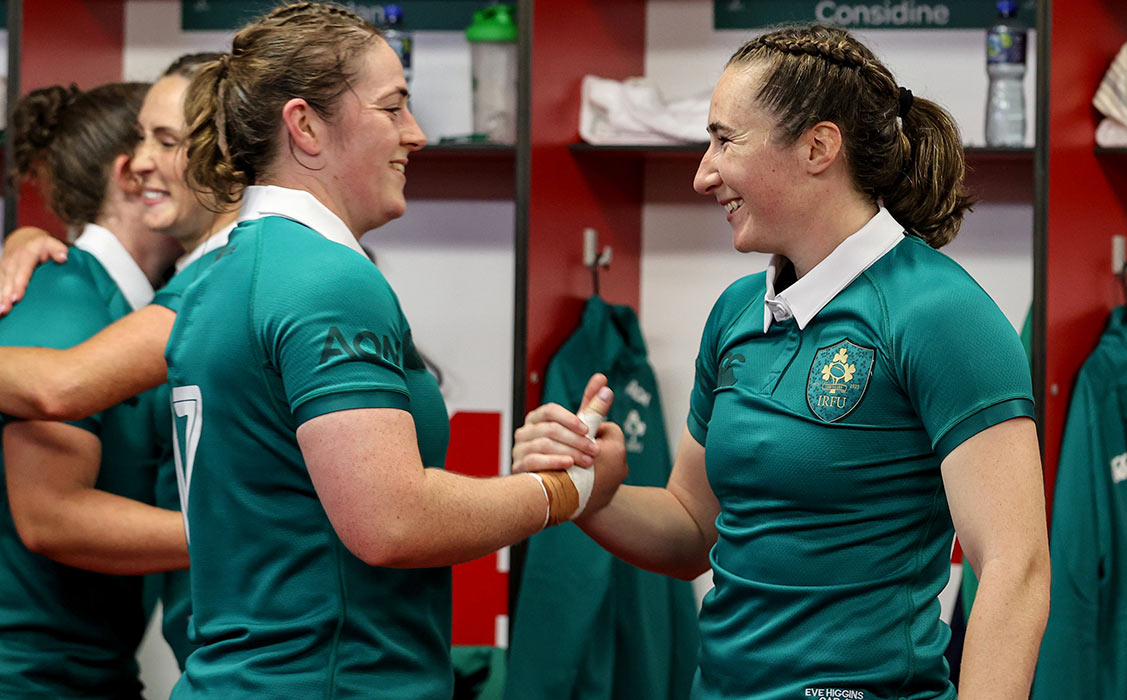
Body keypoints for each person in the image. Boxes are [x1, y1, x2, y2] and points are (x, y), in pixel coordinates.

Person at [513, 24, 1050, 700]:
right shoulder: (738, 312)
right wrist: (587, 491)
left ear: (819, 147)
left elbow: (1014, 566)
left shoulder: (940, 313)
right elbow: (690, 527)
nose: (704, 172)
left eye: (724, 140)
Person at [164, 3, 617, 698]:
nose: (418, 133)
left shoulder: (211, 276)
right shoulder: (326, 279)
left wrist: (521, 480)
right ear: (306, 127)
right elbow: (392, 521)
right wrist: (566, 491)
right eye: (394, 107)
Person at [0, 53, 238, 670]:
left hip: (89, 667)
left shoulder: (141, 307)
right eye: (148, 140)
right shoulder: (64, 293)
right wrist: (248, 534)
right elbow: (48, 516)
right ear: (131, 175)